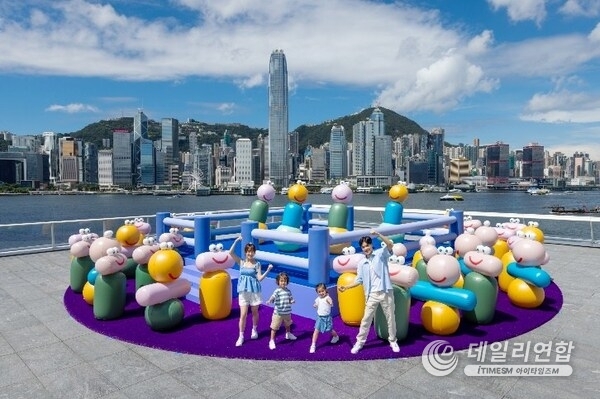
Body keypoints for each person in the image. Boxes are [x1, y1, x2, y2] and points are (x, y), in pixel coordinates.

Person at [338, 229, 400, 354]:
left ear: (372, 245)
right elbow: (359, 280)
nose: (366, 248)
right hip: (371, 295)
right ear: (361, 248)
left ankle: (393, 341)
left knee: (390, 318)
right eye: (363, 246)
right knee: (366, 320)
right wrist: (347, 287)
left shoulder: (380, 254)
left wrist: (378, 234)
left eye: (368, 245)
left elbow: (390, 245)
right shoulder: (362, 263)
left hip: (385, 292)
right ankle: (359, 342)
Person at [229, 236, 273, 347]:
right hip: (243, 291)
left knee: (254, 312)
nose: (250, 253)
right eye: (248, 252)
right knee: (243, 315)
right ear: (245, 252)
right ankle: (241, 336)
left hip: (254, 291)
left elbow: (259, 278)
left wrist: (267, 270)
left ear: (254, 253)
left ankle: (254, 329)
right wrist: (236, 240)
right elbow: (230, 252)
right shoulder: (241, 262)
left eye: (252, 252)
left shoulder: (257, 264)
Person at [266, 272, 296, 350]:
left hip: (287, 312)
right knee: (274, 327)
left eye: (285, 281)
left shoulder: (288, 291)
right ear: (278, 282)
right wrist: (269, 300)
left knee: (288, 324)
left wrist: (292, 301)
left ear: (287, 282)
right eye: (281, 281)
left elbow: (291, 298)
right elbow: (273, 296)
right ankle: (271, 340)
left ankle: (288, 334)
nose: (283, 282)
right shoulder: (277, 291)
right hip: (278, 313)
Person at [310, 283, 339, 353]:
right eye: (319, 292)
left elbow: (331, 302)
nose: (321, 293)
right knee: (316, 330)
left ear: (326, 290)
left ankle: (336, 336)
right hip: (320, 318)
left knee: (330, 330)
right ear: (317, 292)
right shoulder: (318, 299)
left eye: (322, 291)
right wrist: (315, 305)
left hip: (327, 318)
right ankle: (313, 345)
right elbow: (317, 304)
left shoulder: (327, 298)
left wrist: (330, 302)